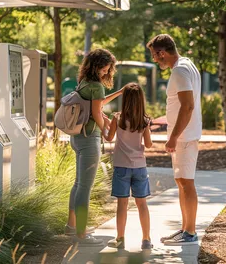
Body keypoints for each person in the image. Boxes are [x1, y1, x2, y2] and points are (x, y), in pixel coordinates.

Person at [146, 34, 202, 245]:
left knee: (186, 183)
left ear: (162, 53)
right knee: (181, 182)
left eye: (154, 55)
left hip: (184, 137)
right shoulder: (186, 64)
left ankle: (190, 232)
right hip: (185, 136)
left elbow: (188, 106)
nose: (154, 59)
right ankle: (185, 229)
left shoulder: (179, 70)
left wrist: (174, 137)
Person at [65, 49, 123, 246]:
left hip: (77, 138)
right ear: (98, 65)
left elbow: (97, 104)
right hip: (90, 139)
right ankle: (82, 234)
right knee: (85, 186)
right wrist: (106, 132)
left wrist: (119, 92)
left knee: (78, 184)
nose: (108, 71)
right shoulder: (96, 85)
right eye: (106, 67)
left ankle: (72, 226)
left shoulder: (85, 83)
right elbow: (98, 113)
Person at [103, 82, 153, 250]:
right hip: (139, 167)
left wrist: (104, 125)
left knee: (122, 204)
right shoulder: (144, 121)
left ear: (125, 100)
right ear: (141, 100)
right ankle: (146, 239)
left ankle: (120, 238)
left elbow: (109, 138)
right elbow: (149, 144)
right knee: (142, 203)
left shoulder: (117, 118)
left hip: (121, 167)